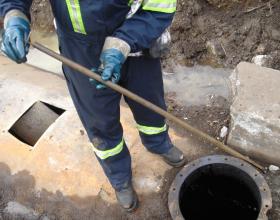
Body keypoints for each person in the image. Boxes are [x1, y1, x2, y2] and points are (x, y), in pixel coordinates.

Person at [0, 0, 185, 212]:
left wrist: (122, 43)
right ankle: (119, 176)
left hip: (136, 38)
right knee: (99, 122)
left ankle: (158, 142)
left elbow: (160, 6)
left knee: (150, 105)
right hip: (81, 50)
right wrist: (14, 14)